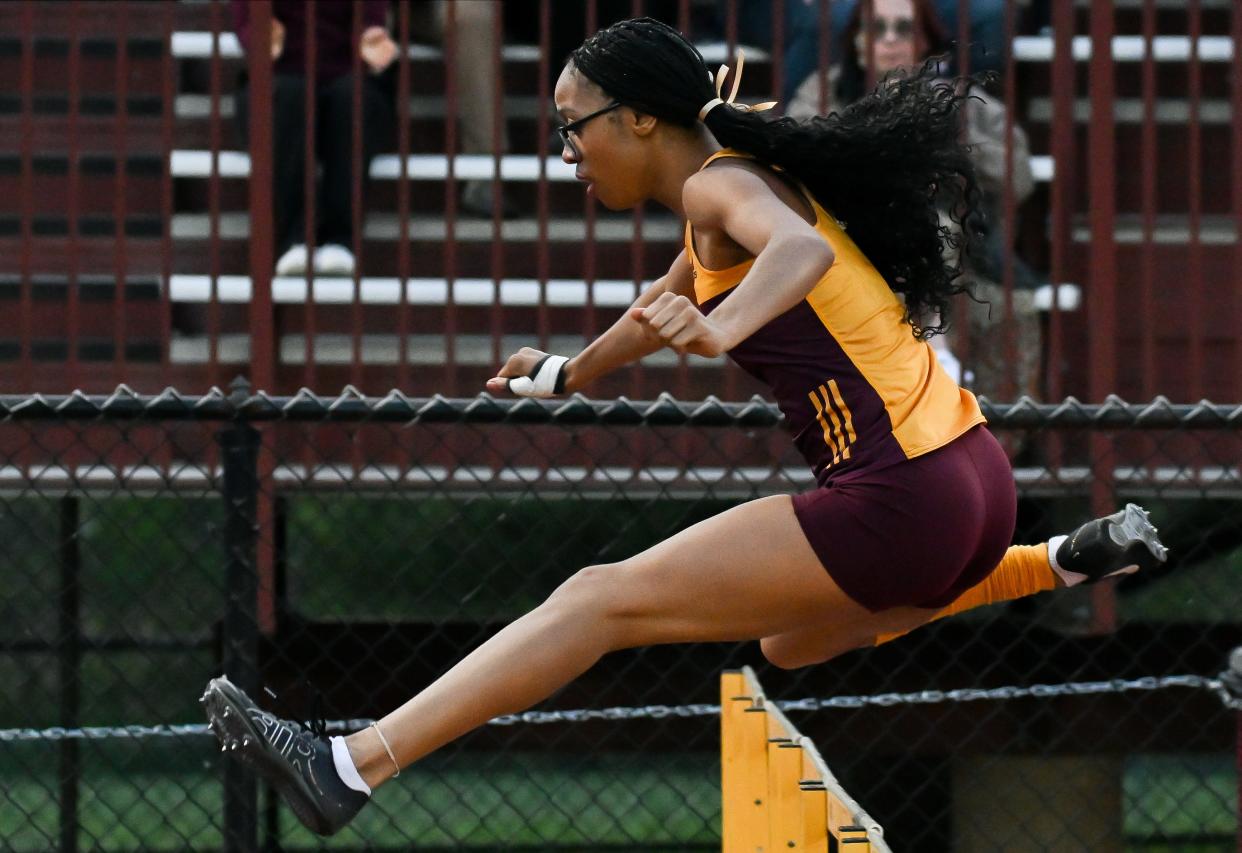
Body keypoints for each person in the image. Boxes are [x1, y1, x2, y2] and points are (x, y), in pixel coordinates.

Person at [201, 18, 1167, 837]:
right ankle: (1057, 560)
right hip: (973, 481)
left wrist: (720, 333)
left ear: (638, 118)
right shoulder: (723, 188)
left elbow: (795, 257)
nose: (567, 152)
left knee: (598, 598)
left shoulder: (719, 189)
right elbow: (660, 299)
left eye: (573, 130)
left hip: (902, 494)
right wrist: (566, 374)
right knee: (791, 646)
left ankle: (350, 764)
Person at [789, 0, 1039, 399]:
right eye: (876, 28)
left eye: (903, 29)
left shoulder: (959, 100)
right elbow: (795, 164)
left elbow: (1018, 177)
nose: (889, 40)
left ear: (923, 42)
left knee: (1008, 305)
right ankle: (928, 359)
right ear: (856, 40)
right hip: (845, 246)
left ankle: (980, 425)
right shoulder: (823, 92)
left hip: (956, 257)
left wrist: (953, 137)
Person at [232, 1, 397, 278]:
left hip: (349, 75)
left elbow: (371, 19)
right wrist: (259, 37)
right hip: (280, 76)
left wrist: (370, 36)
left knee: (354, 99)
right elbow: (247, 20)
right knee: (287, 96)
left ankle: (341, 240)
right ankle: (294, 240)